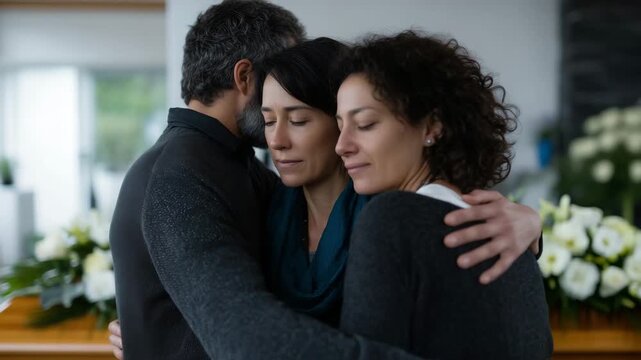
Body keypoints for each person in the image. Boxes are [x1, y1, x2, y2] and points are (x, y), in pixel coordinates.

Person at [109, 1, 543, 358]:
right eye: (269, 117)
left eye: (299, 119)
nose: (278, 140)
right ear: (245, 78)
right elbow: (239, 331)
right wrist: (156, 340)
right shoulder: (194, 175)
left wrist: (532, 227)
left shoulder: (258, 179)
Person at [334, 31, 553, 358]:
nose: (341, 146)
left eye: (364, 124)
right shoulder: (517, 242)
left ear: (431, 127)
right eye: (339, 126)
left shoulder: (392, 218)